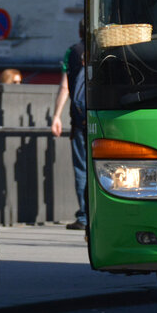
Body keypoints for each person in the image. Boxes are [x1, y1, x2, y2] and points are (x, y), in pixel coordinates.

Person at [52, 21, 88, 230]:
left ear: (79, 31)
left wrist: (56, 116)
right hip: (103, 119)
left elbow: (65, 86)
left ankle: (84, 216)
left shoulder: (72, 52)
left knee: (81, 167)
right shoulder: (107, 50)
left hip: (79, 120)